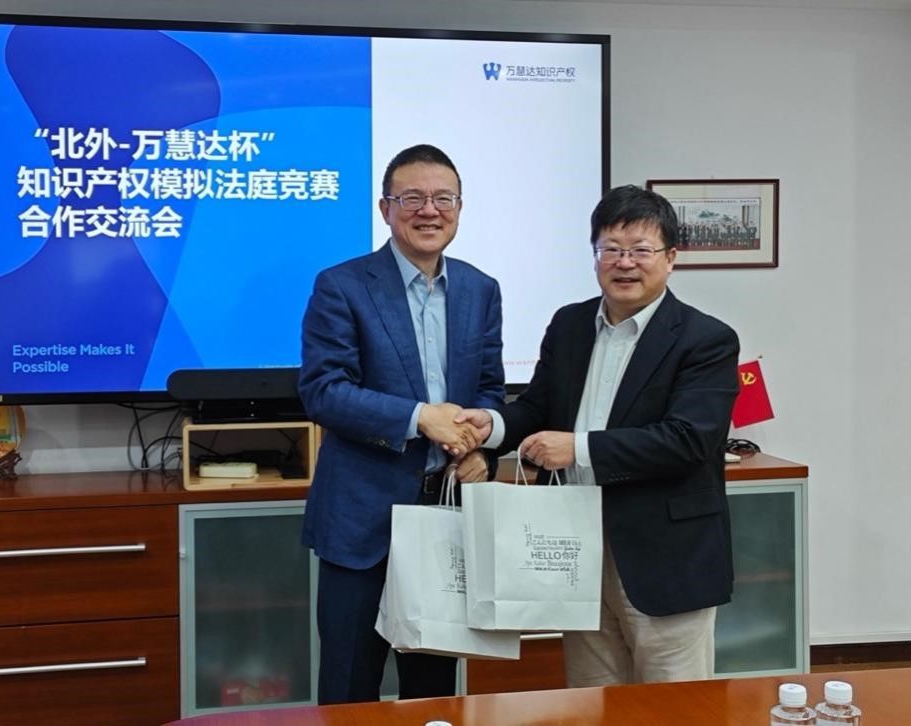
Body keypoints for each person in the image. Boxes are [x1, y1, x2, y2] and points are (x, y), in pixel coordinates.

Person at [460, 184, 739, 687]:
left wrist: (578, 447)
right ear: (594, 256)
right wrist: (492, 426)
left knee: (674, 708)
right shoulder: (570, 324)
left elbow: (687, 440)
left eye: (640, 250)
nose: (624, 263)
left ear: (671, 258)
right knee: (593, 699)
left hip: (665, 558)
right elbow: (538, 407)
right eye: (610, 248)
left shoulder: (706, 339)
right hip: (575, 549)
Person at [298, 144, 505, 704]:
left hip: (445, 519)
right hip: (361, 521)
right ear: (385, 209)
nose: (429, 210)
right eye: (412, 198)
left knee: (433, 693)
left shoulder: (481, 289)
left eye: (443, 198)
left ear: (459, 207)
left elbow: (490, 388)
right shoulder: (342, 285)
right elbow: (323, 391)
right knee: (349, 688)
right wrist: (420, 418)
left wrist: (482, 443)